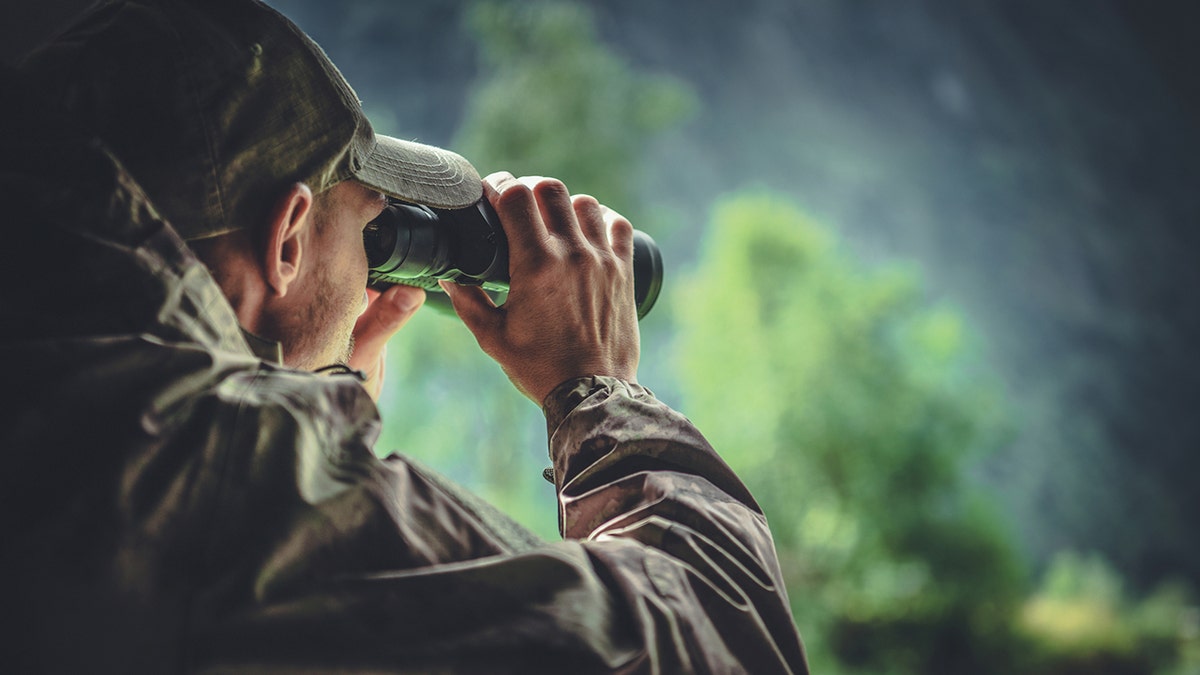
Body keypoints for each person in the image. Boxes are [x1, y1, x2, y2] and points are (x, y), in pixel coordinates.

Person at [0, 0, 809, 672]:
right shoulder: (217, 472)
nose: (373, 271)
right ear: (286, 239)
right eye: (369, 228)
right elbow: (719, 639)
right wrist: (596, 387)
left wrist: (300, 376)